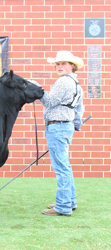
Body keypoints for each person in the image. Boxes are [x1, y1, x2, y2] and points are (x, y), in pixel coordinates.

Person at [34, 51, 84, 216]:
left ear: (72, 66)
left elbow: (49, 102)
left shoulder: (63, 82)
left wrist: (37, 89)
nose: (60, 66)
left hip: (57, 127)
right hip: (66, 127)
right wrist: (75, 125)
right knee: (65, 166)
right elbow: (78, 111)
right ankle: (70, 201)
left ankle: (63, 206)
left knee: (61, 168)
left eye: (64, 63)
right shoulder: (76, 84)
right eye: (58, 63)